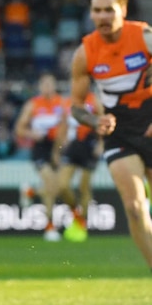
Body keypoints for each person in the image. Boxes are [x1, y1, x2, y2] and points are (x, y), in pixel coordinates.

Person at [69, 0, 152, 270]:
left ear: (123, 10)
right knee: (134, 207)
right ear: (91, 14)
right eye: (97, 11)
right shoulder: (85, 53)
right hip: (119, 131)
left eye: (109, 10)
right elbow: (77, 108)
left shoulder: (144, 37)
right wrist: (95, 120)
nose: (103, 16)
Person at [14, 72, 72, 241]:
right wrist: (32, 134)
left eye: (50, 84)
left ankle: (31, 192)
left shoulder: (61, 103)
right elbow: (19, 129)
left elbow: (64, 127)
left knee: (55, 188)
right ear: (40, 87)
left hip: (57, 147)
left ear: (55, 86)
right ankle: (50, 227)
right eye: (44, 84)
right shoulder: (33, 105)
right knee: (50, 183)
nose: (47, 87)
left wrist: (58, 151)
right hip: (40, 148)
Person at [58, 91, 103, 242]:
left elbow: (104, 120)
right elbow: (63, 123)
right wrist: (61, 142)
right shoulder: (68, 100)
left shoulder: (93, 99)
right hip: (73, 145)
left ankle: (80, 223)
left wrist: (102, 143)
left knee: (84, 187)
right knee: (63, 185)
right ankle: (77, 216)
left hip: (89, 144)